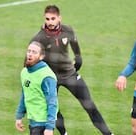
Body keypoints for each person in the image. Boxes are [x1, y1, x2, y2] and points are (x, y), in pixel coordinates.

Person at [29, 5, 113, 135]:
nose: (50, 22)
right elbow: (31, 60)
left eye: (53, 18)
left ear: (59, 18)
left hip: (70, 75)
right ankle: (64, 133)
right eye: (47, 19)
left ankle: (109, 134)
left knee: (89, 105)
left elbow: (76, 50)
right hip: (51, 79)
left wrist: (78, 59)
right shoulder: (39, 38)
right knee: (53, 110)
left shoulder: (68, 30)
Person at [15, 41, 58, 135]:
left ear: (41, 57)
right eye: (29, 51)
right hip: (32, 121)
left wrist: (50, 127)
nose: (30, 54)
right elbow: (24, 94)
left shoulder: (47, 77)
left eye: (34, 52)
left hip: (42, 123)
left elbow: (52, 102)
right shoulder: (24, 72)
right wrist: (19, 116)